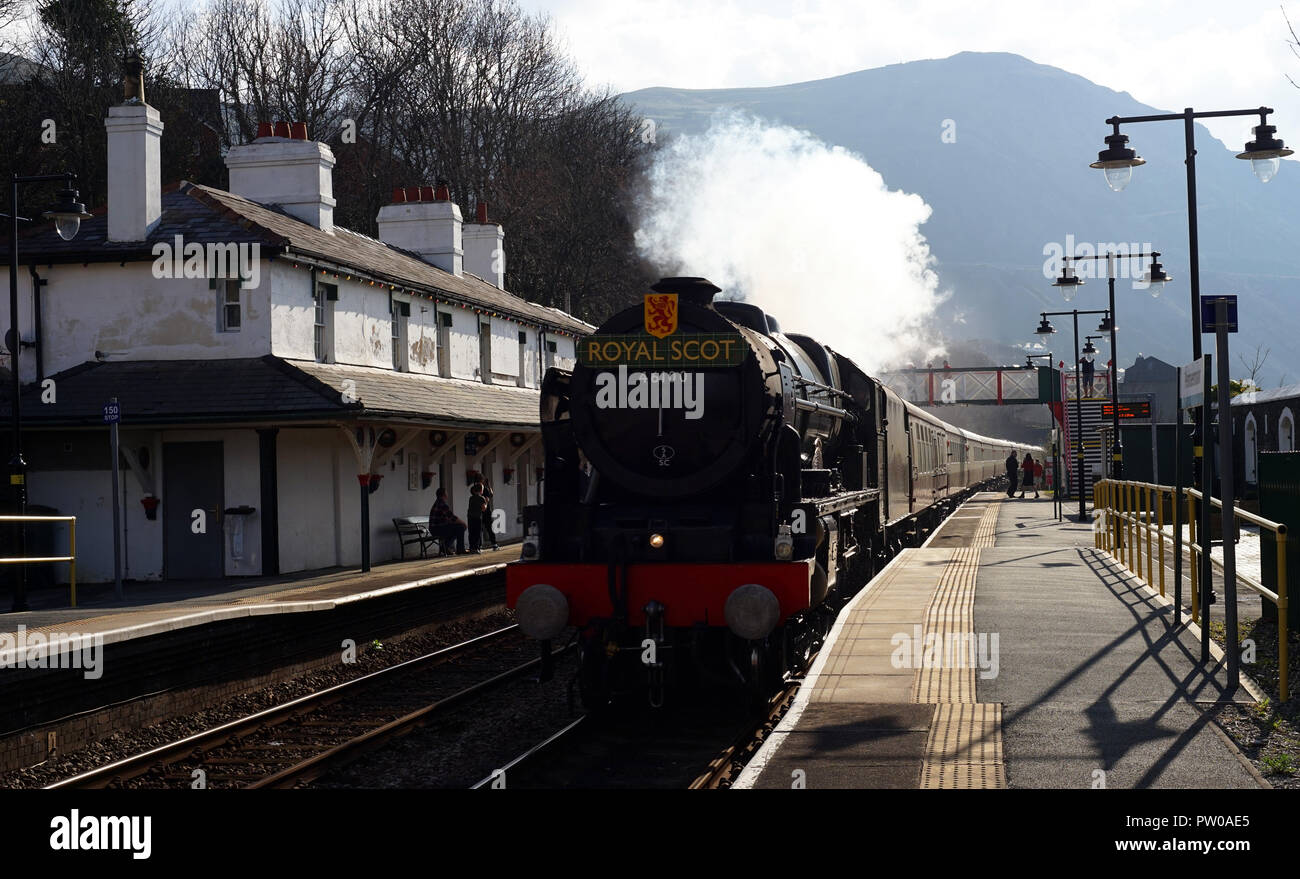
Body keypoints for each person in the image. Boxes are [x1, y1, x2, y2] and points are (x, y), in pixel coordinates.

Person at [429, 487, 467, 555]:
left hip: (435, 529)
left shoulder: (438, 502)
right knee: (461, 527)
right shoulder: (442, 504)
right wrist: (463, 523)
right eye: (446, 492)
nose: (447, 494)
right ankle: (460, 549)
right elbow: (452, 517)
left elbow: (448, 519)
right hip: (437, 529)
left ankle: (445, 547)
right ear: (444, 494)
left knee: (457, 528)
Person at [467, 482, 489, 553]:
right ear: (481, 490)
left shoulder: (471, 498)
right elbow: (484, 508)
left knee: (471, 532)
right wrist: (486, 502)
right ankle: (477, 548)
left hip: (470, 517)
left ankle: (471, 547)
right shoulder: (481, 498)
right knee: (477, 532)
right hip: (477, 517)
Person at [481, 477, 499, 550]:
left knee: (480, 528)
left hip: (479, 511)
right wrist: (489, 486)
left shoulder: (476, 489)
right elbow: (491, 494)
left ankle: (479, 545)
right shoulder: (485, 489)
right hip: (486, 511)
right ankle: (494, 544)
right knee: (489, 528)